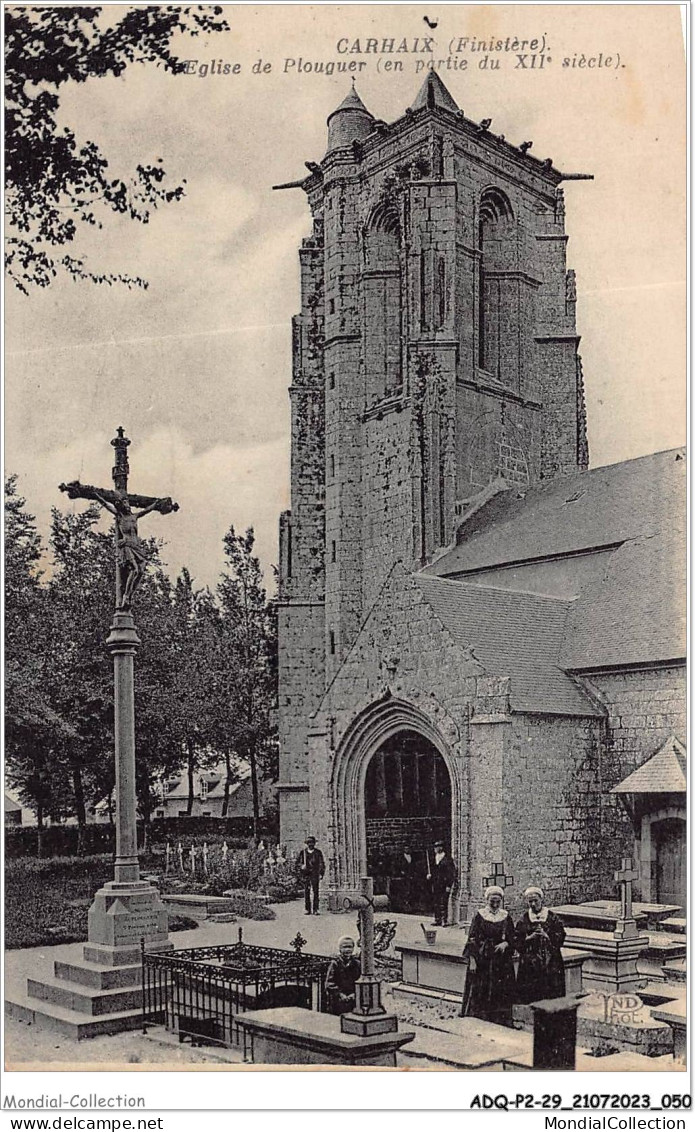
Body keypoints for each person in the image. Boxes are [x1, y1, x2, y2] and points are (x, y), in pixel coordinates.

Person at [460, 885, 516, 1026]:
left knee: (500, 991)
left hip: (501, 962)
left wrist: (506, 944)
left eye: (498, 901)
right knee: (481, 989)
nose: (495, 905)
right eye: (492, 901)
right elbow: (472, 939)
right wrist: (472, 960)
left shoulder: (506, 917)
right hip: (482, 959)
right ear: (487, 900)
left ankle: (500, 1020)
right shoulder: (480, 916)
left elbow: (512, 938)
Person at [515, 886, 566, 1004]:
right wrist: (529, 937)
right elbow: (517, 939)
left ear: (541, 900)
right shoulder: (524, 919)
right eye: (530, 901)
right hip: (530, 963)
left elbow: (561, 936)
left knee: (551, 992)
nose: (533, 904)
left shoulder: (552, 917)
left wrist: (546, 935)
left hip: (551, 961)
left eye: (535, 901)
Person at [325, 936, 361, 1015]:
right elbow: (329, 983)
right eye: (345, 947)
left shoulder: (357, 964)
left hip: (353, 1001)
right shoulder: (335, 964)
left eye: (350, 947)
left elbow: (360, 980)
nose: (348, 950)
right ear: (340, 949)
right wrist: (340, 994)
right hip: (338, 1002)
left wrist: (355, 993)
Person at [427, 840, 456, 926]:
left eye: (436, 847)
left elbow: (451, 873)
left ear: (441, 848)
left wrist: (448, 885)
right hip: (436, 883)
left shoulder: (447, 859)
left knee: (444, 902)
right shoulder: (434, 858)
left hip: (444, 884)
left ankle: (444, 920)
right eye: (435, 847)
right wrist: (429, 875)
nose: (435, 849)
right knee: (436, 901)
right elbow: (432, 870)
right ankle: (437, 919)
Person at [296, 835, 325, 915]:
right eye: (309, 843)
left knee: (316, 892)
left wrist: (321, 873)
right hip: (306, 874)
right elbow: (298, 863)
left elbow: (321, 863)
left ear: (314, 844)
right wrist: (301, 866)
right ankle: (307, 909)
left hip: (315, 874)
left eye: (312, 843)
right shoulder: (303, 853)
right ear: (307, 844)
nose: (310, 844)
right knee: (306, 891)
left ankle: (315, 909)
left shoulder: (318, 853)